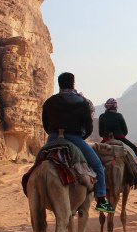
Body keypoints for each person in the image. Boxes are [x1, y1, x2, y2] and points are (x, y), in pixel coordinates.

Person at [41, 72, 114, 213]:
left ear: (59, 84)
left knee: (37, 164)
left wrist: (53, 133)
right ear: (73, 83)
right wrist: (82, 136)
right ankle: (101, 200)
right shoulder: (81, 102)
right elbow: (88, 126)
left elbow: (45, 124)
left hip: (53, 138)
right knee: (98, 166)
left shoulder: (49, 102)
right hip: (73, 138)